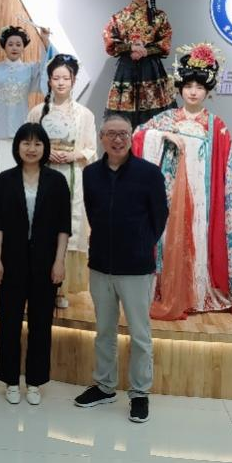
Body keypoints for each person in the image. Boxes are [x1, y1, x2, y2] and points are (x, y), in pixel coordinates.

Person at [133, 43, 232, 320]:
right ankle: (167, 291)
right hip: (170, 193)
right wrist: (162, 136)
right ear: (180, 88)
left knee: (198, 236)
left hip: (203, 194)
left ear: (208, 91)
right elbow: (138, 136)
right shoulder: (166, 119)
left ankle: (196, 293)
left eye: (199, 87)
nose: (193, 91)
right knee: (168, 238)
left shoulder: (216, 125)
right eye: (188, 86)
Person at [74, 112, 167, 424]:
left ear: (131, 138)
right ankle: (104, 386)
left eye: (123, 134)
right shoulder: (90, 174)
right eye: (111, 134)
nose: (117, 139)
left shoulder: (149, 173)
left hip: (136, 268)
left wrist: (141, 243)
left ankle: (140, 393)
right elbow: (93, 212)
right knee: (104, 331)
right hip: (101, 265)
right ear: (101, 138)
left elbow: (159, 217)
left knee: (140, 334)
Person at [0, 123, 70, 406]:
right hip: (11, 262)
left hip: (46, 264)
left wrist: (59, 262)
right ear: (18, 147)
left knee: (41, 323)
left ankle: (35, 381)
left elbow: (63, 227)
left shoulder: (57, 181)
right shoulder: (4, 180)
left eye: (37, 143)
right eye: (26, 143)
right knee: (9, 322)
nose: (31, 148)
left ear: (45, 147)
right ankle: (10, 380)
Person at [28, 54, 96, 307]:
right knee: (40, 225)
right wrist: (44, 153)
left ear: (73, 80)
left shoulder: (84, 114)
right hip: (41, 174)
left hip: (71, 176)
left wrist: (73, 155)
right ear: (49, 80)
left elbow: (91, 149)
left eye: (65, 78)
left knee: (66, 226)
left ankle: (61, 288)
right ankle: (36, 281)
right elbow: (25, 142)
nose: (60, 82)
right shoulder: (37, 112)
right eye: (56, 78)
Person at [0, 24, 54, 176]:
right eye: (10, 44)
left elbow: (49, 67)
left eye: (18, 44)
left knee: (14, 172)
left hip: (19, 123)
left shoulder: (30, 69)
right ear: (4, 47)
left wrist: (45, 40)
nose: (14, 47)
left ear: (23, 47)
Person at [103, 0, 174, 128]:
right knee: (123, 118)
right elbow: (110, 41)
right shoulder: (119, 17)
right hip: (127, 69)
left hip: (151, 69)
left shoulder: (159, 17)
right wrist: (130, 48)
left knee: (154, 119)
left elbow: (165, 42)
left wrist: (146, 51)